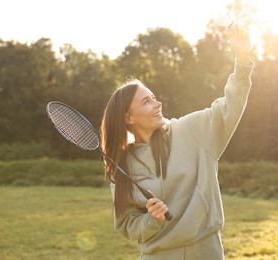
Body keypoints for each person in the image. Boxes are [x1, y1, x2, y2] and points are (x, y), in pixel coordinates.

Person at [100, 24, 254, 259]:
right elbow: (128, 225)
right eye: (146, 102)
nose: (157, 104)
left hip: (205, 251)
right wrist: (152, 221)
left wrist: (242, 63)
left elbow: (230, 106)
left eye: (153, 98)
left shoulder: (191, 131)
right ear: (128, 118)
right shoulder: (122, 165)